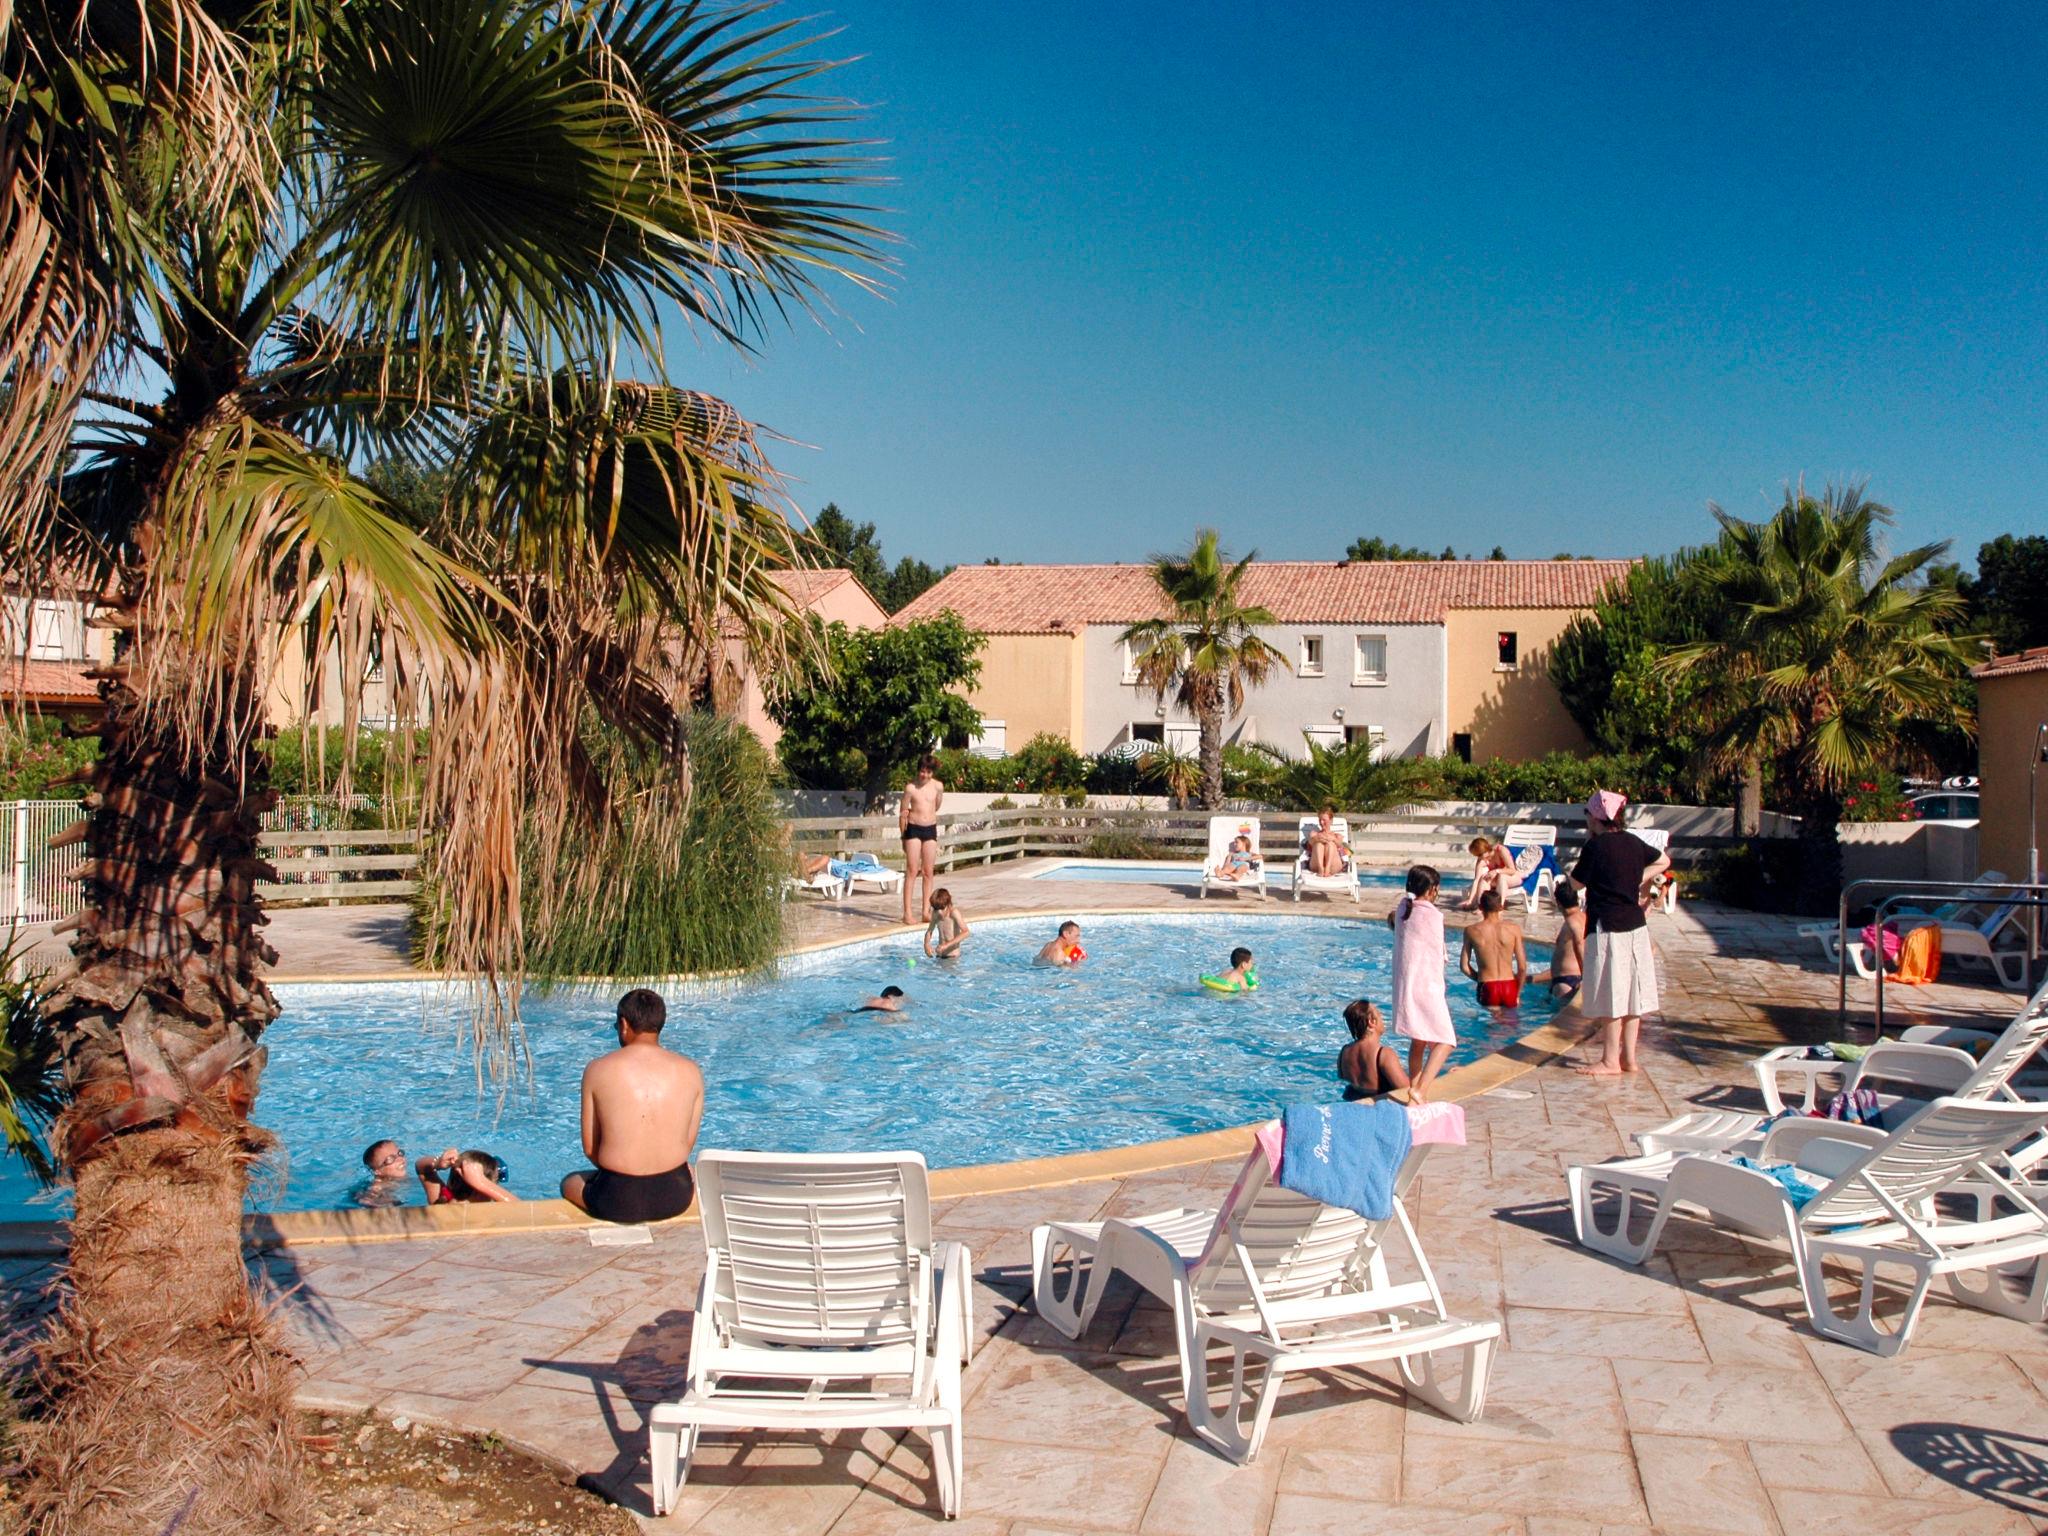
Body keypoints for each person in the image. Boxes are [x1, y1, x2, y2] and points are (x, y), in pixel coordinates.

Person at [561, 988, 704, 1223]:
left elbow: (590, 1148)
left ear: (624, 1024)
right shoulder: (691, 1071)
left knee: (569, 1182)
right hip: (675, 1196)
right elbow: (686, 1145)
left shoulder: (597, 1070)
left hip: (616, 1199)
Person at [1569, 790, 1671, 1076]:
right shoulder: (1633, 842)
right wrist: (1638, 876)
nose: (1587, 819)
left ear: (1597, 817)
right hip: (1636, 927)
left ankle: (1610, 1060)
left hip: (1607, 926)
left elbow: (1576, 884)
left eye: (1588, 814)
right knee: (1633, 996)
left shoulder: (1596, 847)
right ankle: (1629, 1059)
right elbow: (1663, 861)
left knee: (1611, 994)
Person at [1389, 864, 1456, 1101]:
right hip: (1427, 986)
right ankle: (1420, 1089)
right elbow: (1439, 952)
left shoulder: (1402, 909)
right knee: (1447, 1040)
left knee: (1419, 1039)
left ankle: (1414, 1096)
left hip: (1407, 984)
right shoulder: (1432, 915)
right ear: (1432, 889)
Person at [1459, 889, 1528, 1008]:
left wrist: (1480, 980)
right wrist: (1517, 993)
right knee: (1510, 1024)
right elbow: (1522, 968)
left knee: (1491, 1025)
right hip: (1509, 986)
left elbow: (1464, 967)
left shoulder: (1471, 931)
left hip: (1487, 986)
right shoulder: (1514, 929)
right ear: (1501, 907)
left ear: (1480, 907)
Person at [899, 754, 944, 925]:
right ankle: (907, 913)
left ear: (932, 772)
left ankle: (926, 911)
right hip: (914, 829)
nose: (924, 775)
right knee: (912, 871)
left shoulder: (938, 787)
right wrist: (903, 835)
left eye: (928, 772)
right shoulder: (911, 788)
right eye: (922, 771)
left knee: (928, 872)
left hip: (930, 829)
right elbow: (903, 813)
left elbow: (937, 805)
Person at [1337, 1000, 1411, 1102]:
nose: (1383, 1020)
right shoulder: (1383, 1054)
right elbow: (1406, 1089)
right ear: (1371, 1022)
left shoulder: (1344, 1052)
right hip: (1378, 1106)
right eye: (1380, 1015)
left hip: (1351, 1101)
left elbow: (1343, 1079)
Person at [1534, 881, 1586, 999]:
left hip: (1567, 982)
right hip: (1566, 979)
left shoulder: (1572, 922)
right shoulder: (1583, 918)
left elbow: (1579, 944)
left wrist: (1585, 977)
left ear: (1558, 903)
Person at [415, 1146, 516, 1204]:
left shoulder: (440, 1203)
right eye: (495, 1182)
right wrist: (481, 1183)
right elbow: (524, 1212)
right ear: (480, 1191)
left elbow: (421, 1168)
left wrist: (438, 1164)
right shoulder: (492, 1213)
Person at [1458, 836, 1519, 911]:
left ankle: (1500, 906)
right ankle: (1482, 907)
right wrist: (1470, 899)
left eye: (1479, 855)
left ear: (1485, 849)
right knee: (1484, 878)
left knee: (1502, 876)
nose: (1479, 857)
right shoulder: (1482, 860)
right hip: (1497, 880)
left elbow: (1513, 870)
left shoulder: (1500, 850)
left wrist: (1496, 871)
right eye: (1477, 855)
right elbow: (1476, 880)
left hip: (1514, 877)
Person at [356, 1138, 409, 1208]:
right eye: (390, 1159)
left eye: (400, 1153)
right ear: (377, 1171)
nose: (400, 1159)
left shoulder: (394, 1180)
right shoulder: (378, 1187)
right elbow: (365, 1200)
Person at [1303, 808, 1351, 878]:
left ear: (1331, 821)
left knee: (1331, 844)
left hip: (1333, 866)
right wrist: (1316, 839)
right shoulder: (1314, 834)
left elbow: (1344, 850)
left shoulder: (1337, 836)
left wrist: (1334, 839)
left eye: (1324, 820)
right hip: (1316, 866)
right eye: (1320, 820)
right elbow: (1309, 845)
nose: (1321, 822)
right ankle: (1321, 868)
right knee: (1319, 844)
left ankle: (1327, 868)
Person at [924, 888, 970, 958]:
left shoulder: (953, 913)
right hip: (939, 955)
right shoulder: (935, 913)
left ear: (947, 903)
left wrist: (947, 945)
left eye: (941, 909)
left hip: (952, 956)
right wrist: (926, 945)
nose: (939, 912)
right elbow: (929, 931)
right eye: (936, 908)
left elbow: (966, 932)